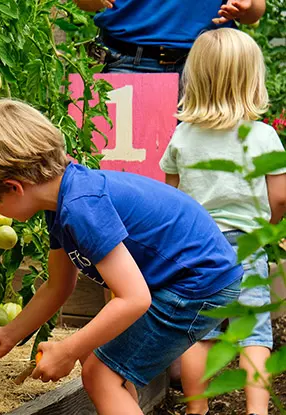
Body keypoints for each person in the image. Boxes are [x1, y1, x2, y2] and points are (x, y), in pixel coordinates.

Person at [0, 98, 243, 415]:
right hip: (190, 278)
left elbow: (134, 299)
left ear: (14, 188)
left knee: (99, 373)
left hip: (198, 283)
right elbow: (58, 286)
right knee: (113, 371)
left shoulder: (80, 207)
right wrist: (10, 333)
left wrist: (68, 349)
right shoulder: (64, 201)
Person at [159, 28, 286, 415]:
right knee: (254, 334)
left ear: (193, 78)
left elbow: (173, 201)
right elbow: (280, 197)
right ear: (252, 80)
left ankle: (197, 410)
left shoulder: (182, 136)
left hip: (198, 251)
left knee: (202, 334)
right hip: (246, 247)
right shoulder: (263, 136)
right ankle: (257, 410)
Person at [76, 0, 266, 78]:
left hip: (210, 67)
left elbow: (254, 12)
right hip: (127, 61)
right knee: (120, 162)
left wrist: (245, 6)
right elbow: (85, 3)